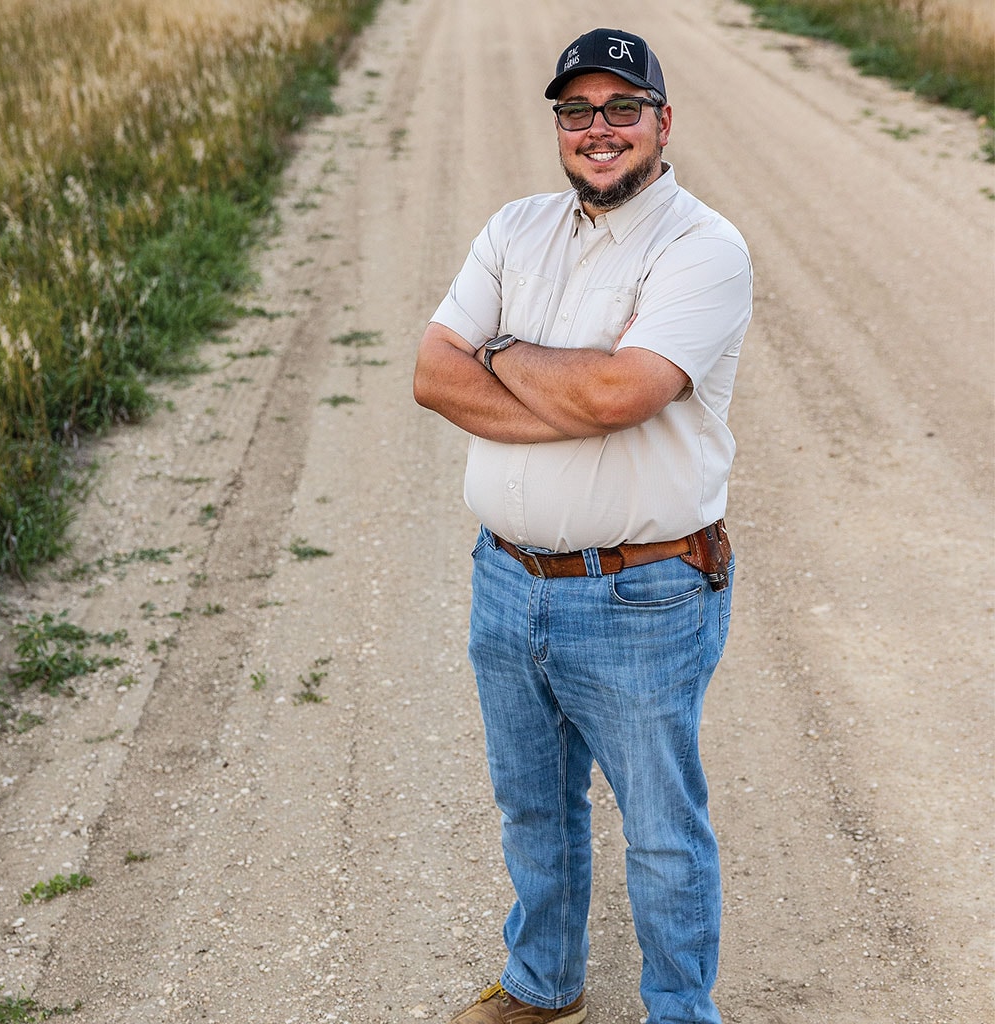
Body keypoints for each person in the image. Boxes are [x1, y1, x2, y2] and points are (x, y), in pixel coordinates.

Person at [413, 25, 753, 1024]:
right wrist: (568, 380)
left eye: (620, 109)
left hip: (642, 587)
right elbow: (434, 373)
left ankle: (679, 1012)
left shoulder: (703, 247)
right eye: (577, 111)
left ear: (661, 121)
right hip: (507, 576)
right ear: (558, 125)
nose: (597, 130)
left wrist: (504, 350)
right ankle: (541, 984)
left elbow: (619, 392)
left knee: (659, 828)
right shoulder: (513, 229)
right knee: (532, 805)